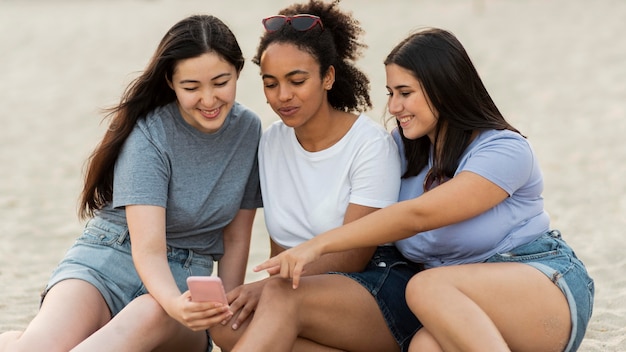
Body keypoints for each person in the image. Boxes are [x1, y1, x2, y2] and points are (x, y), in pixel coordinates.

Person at [253, 28, 595, 352]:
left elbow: (419, 215)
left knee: (427, 286)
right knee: (423, 346)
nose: (394, 107)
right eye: (390, 94)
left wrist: (316, 246)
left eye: (405, 93)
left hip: (539, 283)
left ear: (443, 88)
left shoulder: (504, 150)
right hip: (452, 304)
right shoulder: (402, 150)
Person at [0, 15, 262, 352]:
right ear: (170, 82)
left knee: (149, 312)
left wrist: (219, 311)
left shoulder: (249, 131)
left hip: (184, 289)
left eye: (220, 82)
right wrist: (173, 302)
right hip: (106, 261)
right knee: (39, 346)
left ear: (238, 72)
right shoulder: (149, 133)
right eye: (191, 87)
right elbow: (148, 249)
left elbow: (236, 237)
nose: (209, 100)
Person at [211, 2, 423, 352]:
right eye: (270, 83)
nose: (283, 96)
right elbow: (281, 245)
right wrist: (268, 290)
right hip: (301, 291)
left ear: (327, 77)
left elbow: (354, 254)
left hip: (376, 284)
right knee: (228, 325)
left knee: (277, 297)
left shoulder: (370, 145)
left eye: (297, 80)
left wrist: (266, 288)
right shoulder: (271, 143)